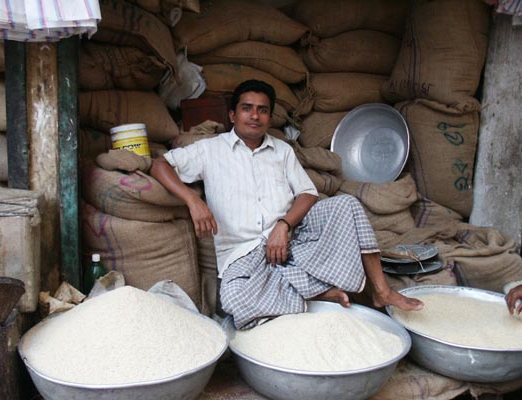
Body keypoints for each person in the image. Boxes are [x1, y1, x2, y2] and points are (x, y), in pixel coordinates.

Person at [150, 79, 423, 329]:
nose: (255, 116)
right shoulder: (210, 150)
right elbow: (160, 165)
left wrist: (284, 225)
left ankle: (381, 290)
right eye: (247, 108)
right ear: (233, 115)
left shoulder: (282, 151)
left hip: (292, 243)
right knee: (234, 300)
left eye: (262, 110)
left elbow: (307, 193)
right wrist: (192, 199)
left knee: (346, 204)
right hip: (242, 253)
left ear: (269, 117)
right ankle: (316, 292)